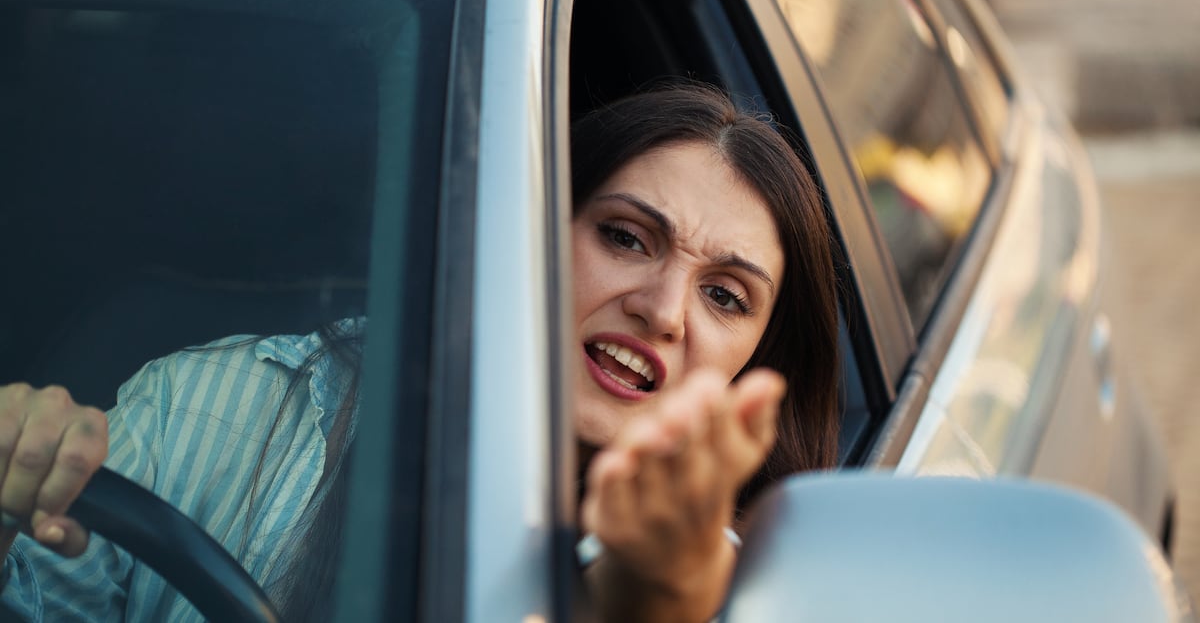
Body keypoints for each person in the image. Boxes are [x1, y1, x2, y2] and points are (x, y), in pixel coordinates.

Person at [0, 83, 839, 623]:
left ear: (760, 370)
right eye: (625, 237)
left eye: (725, 296)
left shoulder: (752, 588)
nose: (662, 310)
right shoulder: (222, 405)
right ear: (527, 229)